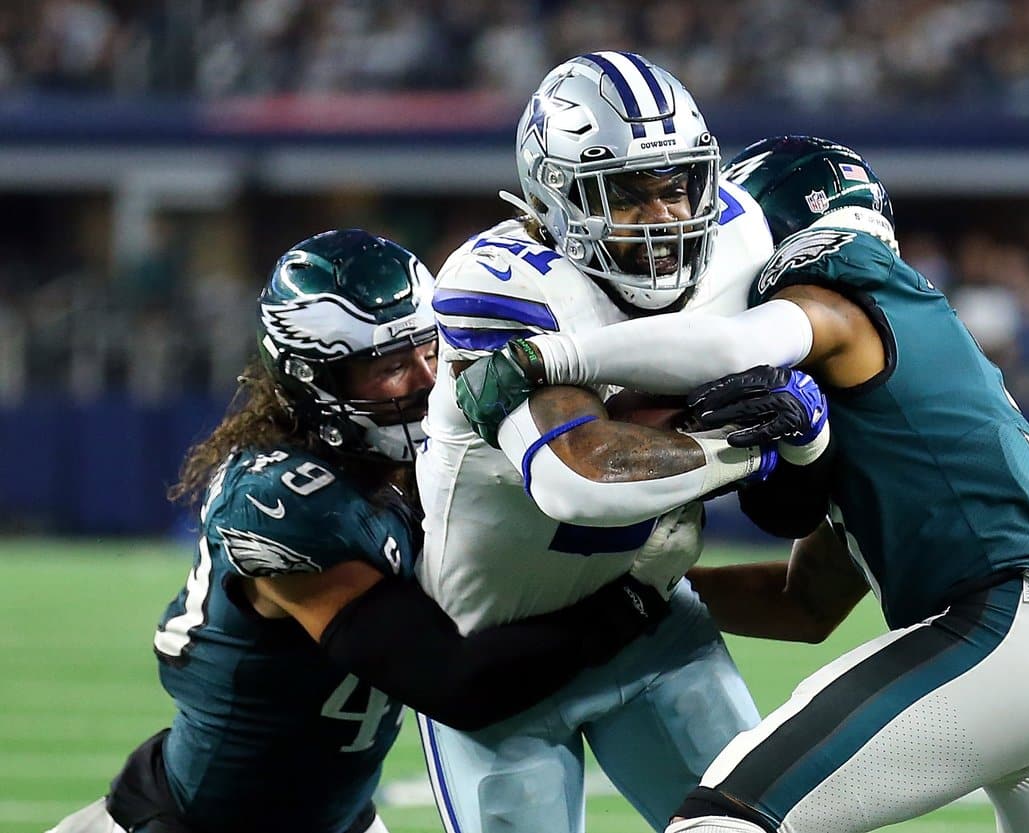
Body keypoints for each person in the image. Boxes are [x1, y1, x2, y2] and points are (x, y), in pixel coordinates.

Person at [456, 136, 1029, 833]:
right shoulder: (906, 383)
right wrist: (642, 591)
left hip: (1014, 632)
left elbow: (736, 346)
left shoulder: (839, 278)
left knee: (723, 819)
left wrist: (549, 354)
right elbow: (806, 604)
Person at [45, 229, 690, 833]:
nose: (427, 377)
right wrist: (633, 599)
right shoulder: (288, 500)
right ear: (313, 380)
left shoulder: (424, 460)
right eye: (388, 364)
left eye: (430, 346)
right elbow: (453, 681)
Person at [416, 53, 829, 833]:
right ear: (552, 198)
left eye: (676, 185)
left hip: (650, 619)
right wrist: (760, 443)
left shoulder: (740, 237)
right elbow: (580, 479)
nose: (667, 215)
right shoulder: (504, 282)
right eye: (627, 195)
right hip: (497, 658)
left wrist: (807, 433)